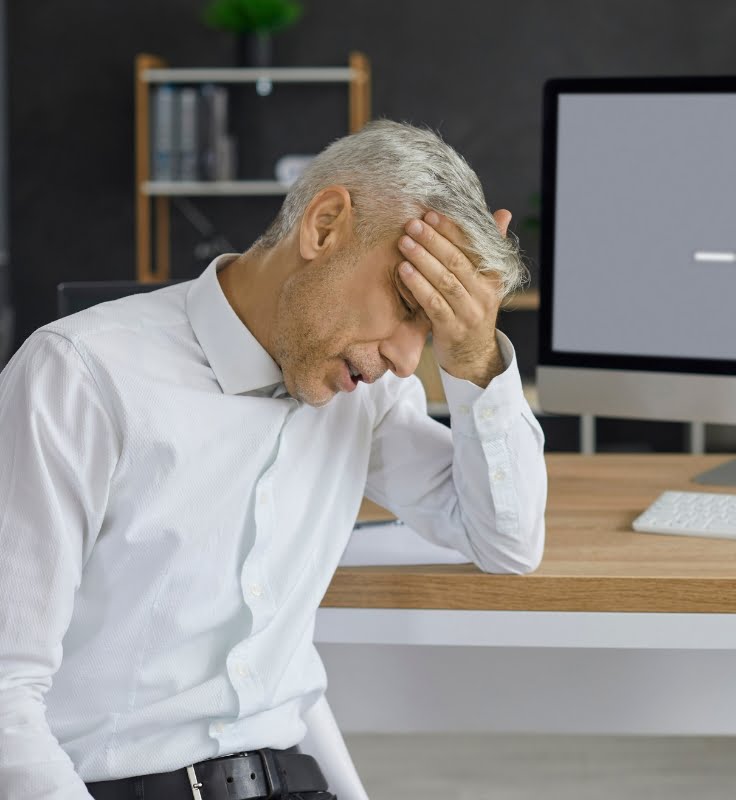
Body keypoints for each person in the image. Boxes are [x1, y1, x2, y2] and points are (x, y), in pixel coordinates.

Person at [0, 120, 547, 799]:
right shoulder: (80, 376)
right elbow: (4, 693)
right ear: (323, 227)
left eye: (430, 330)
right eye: (408, 305)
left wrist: (473, 357)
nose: (410, 360)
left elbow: (505, 538)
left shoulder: (366, 393)